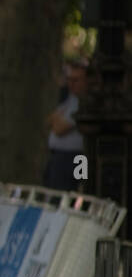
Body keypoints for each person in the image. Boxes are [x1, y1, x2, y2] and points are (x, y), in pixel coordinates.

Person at [43, 60, 86, 191]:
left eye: (76, 80)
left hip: (74, 158)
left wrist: (57, 118)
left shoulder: (83, 103)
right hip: (57, 158)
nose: (71, 84)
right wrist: (57, 118)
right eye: (69, 80)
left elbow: (58, 129)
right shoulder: (70, 100)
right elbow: (49, 121)